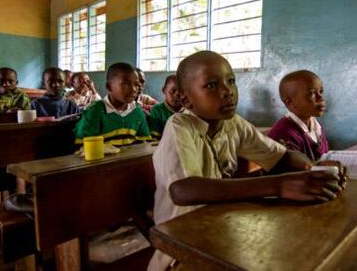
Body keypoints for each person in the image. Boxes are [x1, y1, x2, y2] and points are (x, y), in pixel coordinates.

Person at [148, 51, 346, 271]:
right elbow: (183, 190)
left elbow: (282, 155)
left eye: (231, 81)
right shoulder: (179, 126)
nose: (227, 92)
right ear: (186, 99)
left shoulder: (233, 124)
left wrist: (313, 168)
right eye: (212, 85)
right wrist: (278, 185)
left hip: (220, 231)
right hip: (180, 251)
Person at [74, 62, 151, 146]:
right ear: (109, 86)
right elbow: (82, 147)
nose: (133, 89)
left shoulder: (137, 111)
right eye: (126, 84)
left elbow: (143, 144)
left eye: (136, 85)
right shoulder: (94, 112)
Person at [268, 70, 328, 162]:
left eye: (321, 91)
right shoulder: (284, 134)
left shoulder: (316, 128)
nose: (321, 98)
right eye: (311, 93)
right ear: (290, 102)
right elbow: (294, 174)